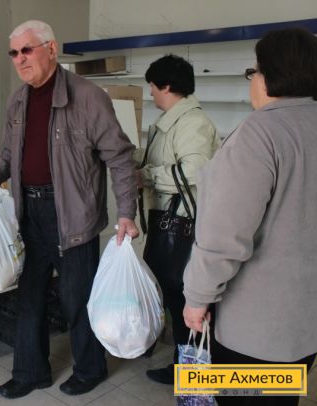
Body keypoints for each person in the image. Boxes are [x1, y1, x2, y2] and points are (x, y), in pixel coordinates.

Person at [0, 20, 139, 399]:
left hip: (73, 214)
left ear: (51, 48)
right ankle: (30, 372)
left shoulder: (88, 97)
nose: (19, 59)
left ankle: (90, 368)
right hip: (28, 212)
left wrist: (126, 212)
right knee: (29, 296)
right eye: (14, 53)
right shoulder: (18, 101)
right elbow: (9, 153)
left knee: (76, 297)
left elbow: (120, 157)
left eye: (26, 50)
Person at [183, 27, 317, 406]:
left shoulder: (259, 134)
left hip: (256, 331)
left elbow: (224, 237)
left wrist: (197, 298)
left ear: (269, 75)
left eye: (253, 71)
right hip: (305, 324)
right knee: (281, 397)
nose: (252, 80)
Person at [138, 54, 218, 385]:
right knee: (176, 301)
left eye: (152, 87)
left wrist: (146, 175)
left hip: (183, 229)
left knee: (187, 304)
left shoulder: (192, 123)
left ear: (167, 86)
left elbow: (194, 172)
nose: (151, 93)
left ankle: (194, 375)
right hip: (171, 227)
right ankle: (184, 367)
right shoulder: (172, 121)